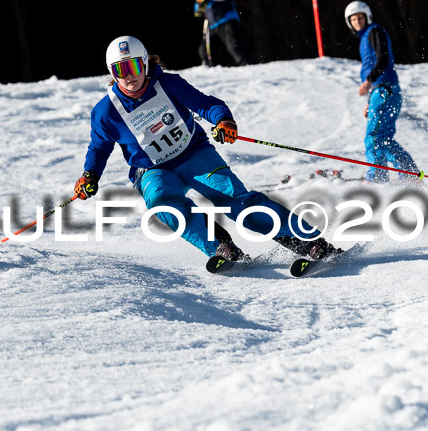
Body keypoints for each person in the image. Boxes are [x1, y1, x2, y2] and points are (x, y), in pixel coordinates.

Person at [74, 35, 338, 262]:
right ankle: (221, 247)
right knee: (162, 205)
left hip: (194, 154)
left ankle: (308, 242)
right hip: (153, 170)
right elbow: (99, 148)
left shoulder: (168, 84)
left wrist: (223, 120)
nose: (129, 75)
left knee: (235, 200)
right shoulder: (105, 111)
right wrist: (90, 175)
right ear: (112, 73)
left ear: (144, 62)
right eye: (120, 70)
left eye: (132, 66)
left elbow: (206, 104)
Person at [344, 0, 419, 183]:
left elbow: (383, 58)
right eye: (353, 19)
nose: (357, 22)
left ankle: (377, 178)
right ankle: (410, 175)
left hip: (385, 91)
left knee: (373, 138)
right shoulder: (366, 37)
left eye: (360, 17)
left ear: (367, 16)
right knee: (383, 139)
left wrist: (368, 80)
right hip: (384, 92)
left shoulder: (374, 31)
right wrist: (370, 102)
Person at [194, 0, 248, 66]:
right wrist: (199, 4)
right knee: (204, 50)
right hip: (212, 25)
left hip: (226, 20)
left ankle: (246, 66)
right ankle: (215, 72)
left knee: (234, 47)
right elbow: (198, 11)